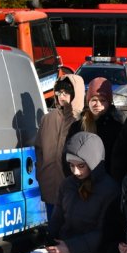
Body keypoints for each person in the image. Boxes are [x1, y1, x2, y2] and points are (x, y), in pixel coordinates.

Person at [20, 132, 119, 253]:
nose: (75, 171)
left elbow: (105, 232)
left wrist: (70, 248)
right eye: (71, 165)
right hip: (64, 249)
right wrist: (50, 240)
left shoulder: (110, 189)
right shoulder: (68, 184)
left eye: (81, 166)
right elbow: (57, 217)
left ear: (93, 162)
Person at [34, 74, 85, 218]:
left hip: (73, 186)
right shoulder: (47, 119)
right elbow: (39, 148)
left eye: (66, 92)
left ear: (76, 93)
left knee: (70, 229)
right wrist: (41, 172)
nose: (62, 96)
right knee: (53, 228)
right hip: (49, 184)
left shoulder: (81, 120)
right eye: (59, 92)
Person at [68, 77, 124, 181]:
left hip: (107, 183)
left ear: (109, 102)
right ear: (88, 101)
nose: (97, 104)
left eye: (102, 100)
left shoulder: (117, 128)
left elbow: (119, 160)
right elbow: (67, 155)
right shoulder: (77, 127)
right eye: (94, 100)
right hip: (80, 181)